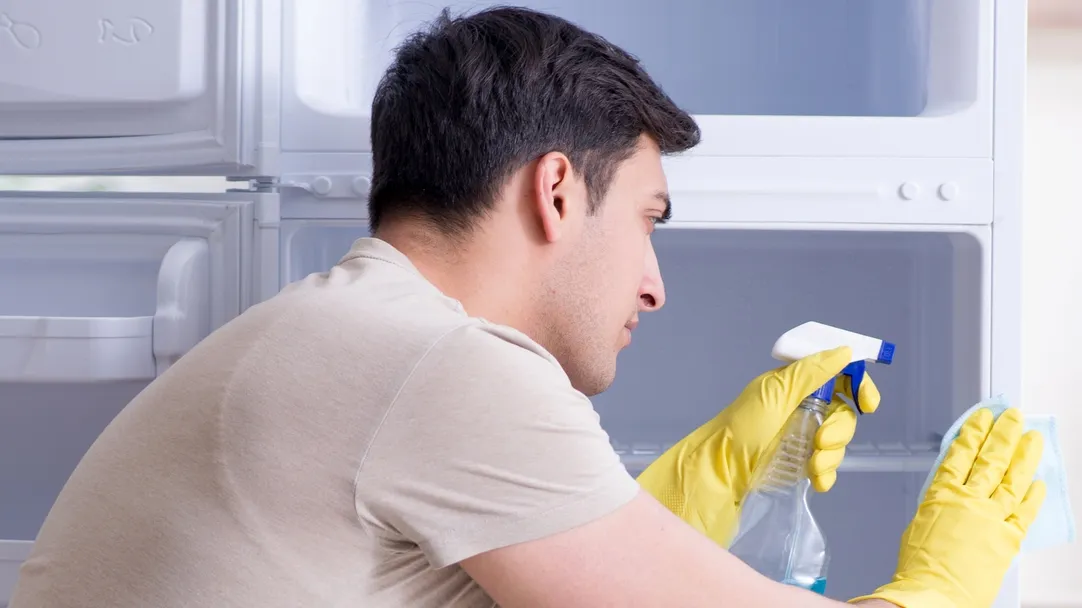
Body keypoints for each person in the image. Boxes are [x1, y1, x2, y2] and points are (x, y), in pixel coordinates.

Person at [10, 6, 1044, 608]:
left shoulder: (346, 329)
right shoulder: (438, 364)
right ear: (554, 191)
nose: (654, 282)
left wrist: (695, 492)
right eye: (647, 218)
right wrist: (935, 588)